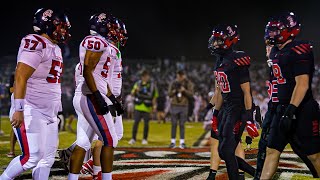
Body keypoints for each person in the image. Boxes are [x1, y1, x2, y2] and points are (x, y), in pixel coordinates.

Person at [0, 8, 71, 180]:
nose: (63, 31)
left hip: (50, 111)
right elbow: (20, 76)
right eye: (60, 26)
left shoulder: (55, 48)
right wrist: (19, 108)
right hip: (32, 107)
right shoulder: (35, 41)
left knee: (47, 158)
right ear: (47, 24)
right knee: (32, 157)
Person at [261, 12, 320, 179]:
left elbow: (302, 84)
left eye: (276, 30)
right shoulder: (275, 51)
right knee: (271, 150)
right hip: (281, 108)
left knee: (314, 155)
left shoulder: (300, 49)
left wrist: (291, 110)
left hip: (302, 109)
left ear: (290, 30)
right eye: (271, 30)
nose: (272, 34)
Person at [67, 13, 125, 180]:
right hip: (90, 96)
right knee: (110, 139)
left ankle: (77, 175)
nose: (115, 31)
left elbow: (102, 78)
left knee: (84, 142)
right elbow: (87, 72)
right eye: (111, 27)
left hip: (93, 94)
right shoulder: (96, 42)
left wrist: (112, 99)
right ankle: (102, 174)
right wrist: (98, 97)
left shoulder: (105, 46)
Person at [207, 24, 259, 179]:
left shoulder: (237, 58)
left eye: (218, 40)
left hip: (238, 109)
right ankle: (257, 175)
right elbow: (221, 91)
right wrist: (215, 114)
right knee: (223, 151)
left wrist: (249, 118)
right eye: (214, 40)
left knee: (227, 150)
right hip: (227, 108)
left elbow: (246, 92)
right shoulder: (219, 61)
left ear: (229, 41)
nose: (215, 43)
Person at [128, 70, 158, 145]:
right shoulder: (137, 84)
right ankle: (133, 138)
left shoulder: (152, 85)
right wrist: (135, 90)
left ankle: (144, 139)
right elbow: (132, 94)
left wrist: (154, 106)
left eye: (146, 76)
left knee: (146, 124)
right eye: (144, 76)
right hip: (138, 106)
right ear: (142, 77)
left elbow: (154, 97)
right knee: (136, 123)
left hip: (147, 107)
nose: (145, 78)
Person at [168, 70, 194, 149]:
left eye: (181, 76)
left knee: (182, 124)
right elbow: (169, 94)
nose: (179, 78)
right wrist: (174, 91)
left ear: (184, 76)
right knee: (174, 124)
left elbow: (191, 94)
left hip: (184, 106)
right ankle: (173, 142)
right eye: (178, 76)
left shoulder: (188, 83)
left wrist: (184, 90)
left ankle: (182, 142)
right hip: (174, 105)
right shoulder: (173, 83)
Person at [7, 72, 17, 158]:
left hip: (28, 104)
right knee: (15, 128)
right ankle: (11, 151)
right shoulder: (14, 75)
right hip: (17, 105)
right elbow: (11, 90)